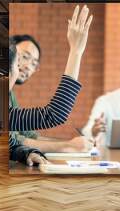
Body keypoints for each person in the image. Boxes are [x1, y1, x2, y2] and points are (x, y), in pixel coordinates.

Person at [9, 5, 93, 166]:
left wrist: (27, 152)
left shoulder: (8, 97)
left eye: (34, 63)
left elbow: (14, 142)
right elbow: (54, 114)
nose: (24, 66)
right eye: (23, 57)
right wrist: (76, 50)